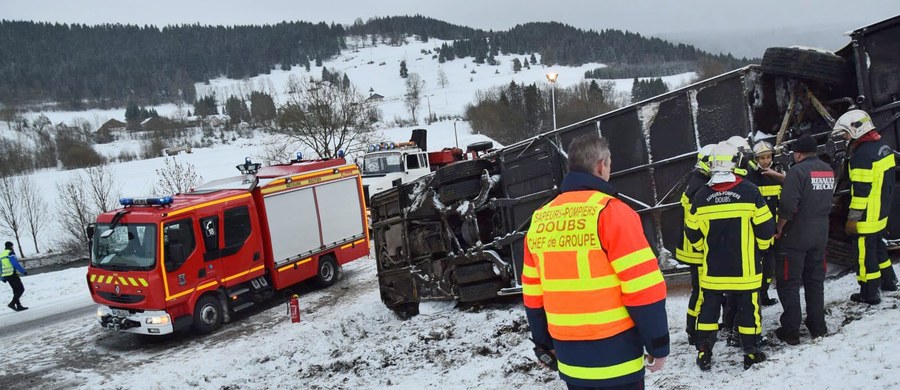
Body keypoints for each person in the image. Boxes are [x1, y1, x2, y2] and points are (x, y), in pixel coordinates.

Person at [523, 134, 669, 389]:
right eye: (609, 165)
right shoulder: (612, 212)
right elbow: (644, 288)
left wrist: (543, 344)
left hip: (570, 359)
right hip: (618, 356)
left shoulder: (539, 220)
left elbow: (533, 294)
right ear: (601, 165)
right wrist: (658, 344)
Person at [686, 142, 775, 371]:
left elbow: (692, 231)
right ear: (736, 163)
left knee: (709, 310)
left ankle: (704, 351)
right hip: (746, 270)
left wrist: (701, 249)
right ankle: (752, 353)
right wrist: (762, 248)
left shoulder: (701, 196)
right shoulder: (749, 191)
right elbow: (766, 229)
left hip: (713, 271)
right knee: (749, 310)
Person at [772, 134, 834, 345]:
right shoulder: (827, 170)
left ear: (797, 154)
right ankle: (818, 326)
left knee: (789, 282)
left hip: (796, 236)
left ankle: (790, 330)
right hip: (820, 234)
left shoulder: (796, 171)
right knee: (815, 281)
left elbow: (789, 206)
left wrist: (779, 228)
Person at [833, 110, 898, 304]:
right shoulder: (883, 147)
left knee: (864, 254)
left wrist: (853, 219)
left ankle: (869, 293)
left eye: (846, 132)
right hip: (881, 210)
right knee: (878, 245)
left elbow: (860, 193)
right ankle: (889, 281)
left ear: (856, 131)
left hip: (867, 215)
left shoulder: (861, 157)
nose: (844, 137)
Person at [676, 144, 715, 346]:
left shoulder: (696, 180)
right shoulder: (699, 186)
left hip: (693, 248)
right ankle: (693, 331)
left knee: (700, 291)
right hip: (696, 250)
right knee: (700, 292)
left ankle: (694, 329)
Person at [753, 141, 784, 307]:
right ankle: (757, 297)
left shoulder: (777, 176)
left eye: (768, 157)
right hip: (756, 232)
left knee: (769, 266)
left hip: (773, 231)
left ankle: (764, 295)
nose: (765, 161)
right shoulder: (751, 178)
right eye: (762, 158)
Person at [1, 241, 28, 311]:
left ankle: (19, 306)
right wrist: (23, 271)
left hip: (6, 275)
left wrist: (2, 277)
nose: (13, 247)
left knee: (16, 290)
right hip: (12, 274)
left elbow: (0, 267)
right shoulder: (10, 253)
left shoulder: (1, 254)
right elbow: (15, 263)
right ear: (10, 246)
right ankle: (12, 303)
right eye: (12, 246)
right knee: (21, 289)